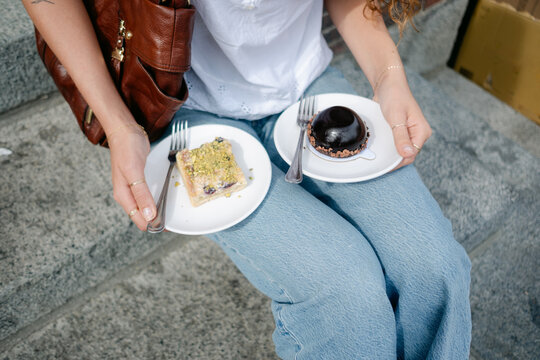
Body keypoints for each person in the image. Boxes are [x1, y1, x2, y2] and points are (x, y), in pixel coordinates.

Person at [23, 0, 472, 358]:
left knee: (436, 268)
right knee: (347, 293)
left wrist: (389, 76)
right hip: (186, 105)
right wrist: (120, 125)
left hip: (305, 85)